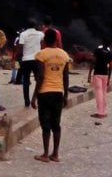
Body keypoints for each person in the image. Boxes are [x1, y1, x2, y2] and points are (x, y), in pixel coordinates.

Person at [31, 28, 70, 163]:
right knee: (56, 124)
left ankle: (45, 154)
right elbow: (65, 77)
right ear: (57, 40)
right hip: (58, 92)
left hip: (45, 93)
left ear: (44, 40)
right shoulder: (64, 55)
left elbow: (40, 76)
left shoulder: (41, 55)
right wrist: (66, 95)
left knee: (45, 123)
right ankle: (55, 154)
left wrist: (34, 96)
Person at [18, 19, 44, 108]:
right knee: (38, 80)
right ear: (35, 26)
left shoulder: (23, 34)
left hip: (26, 60)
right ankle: (39, 98)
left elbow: (20, 47)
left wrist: (20, 58)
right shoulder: (40, 34)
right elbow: (43, 41)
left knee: (25, 81)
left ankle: (27, 101)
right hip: (37, 60)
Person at [87, 37, 112, 118]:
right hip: (105, 74)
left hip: (97, 73)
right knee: (103, 93)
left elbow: (93, 62)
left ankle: (99, 112)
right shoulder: (109, 53)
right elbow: (111, 66)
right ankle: (103, 111)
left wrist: (89, 74)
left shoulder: (98, 50)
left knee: (98, 93)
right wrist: (109, 78)